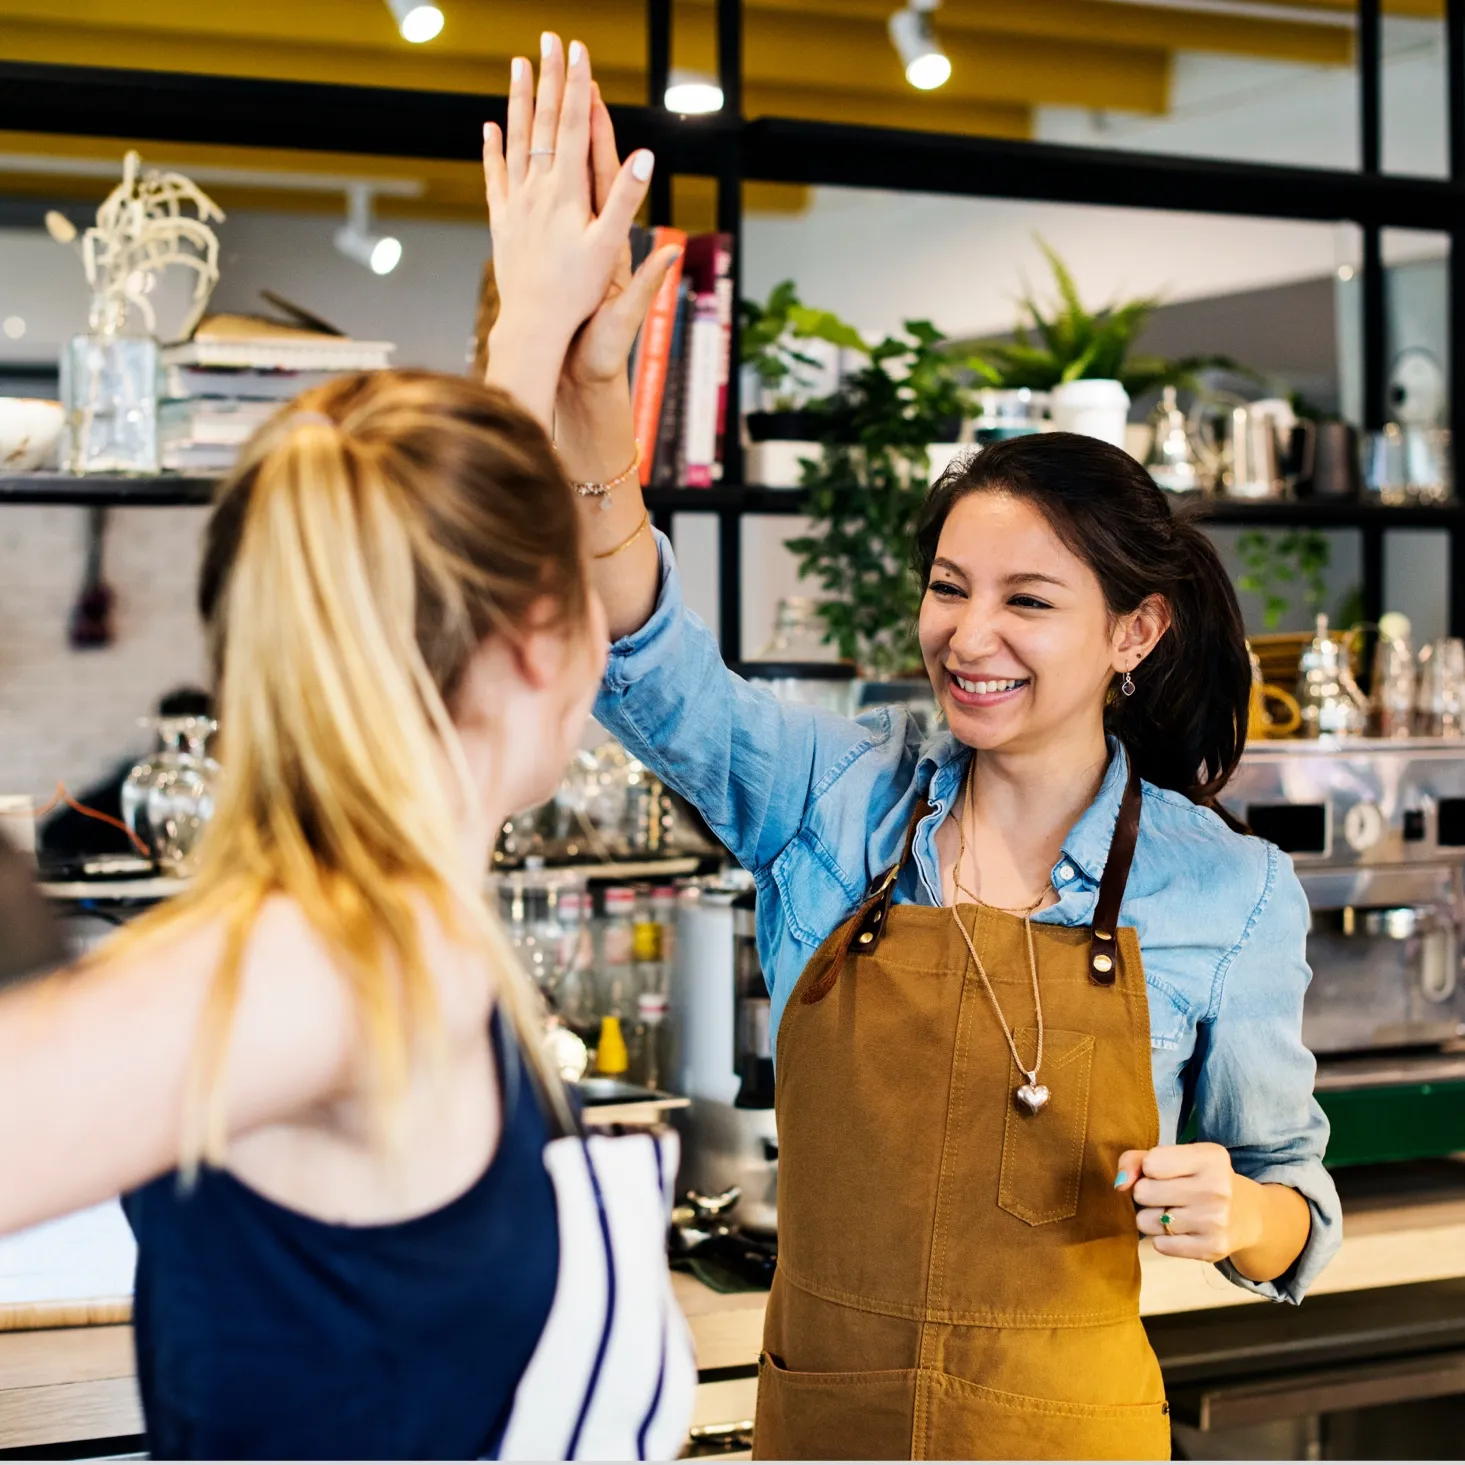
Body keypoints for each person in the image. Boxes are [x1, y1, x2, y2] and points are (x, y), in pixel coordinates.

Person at [484, 39, 1342, 1461]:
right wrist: (582, 414)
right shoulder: (833, 801)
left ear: (1134, 635)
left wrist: (1241, 1215)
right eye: (949, 587)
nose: (969, 634)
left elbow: (1292, 1208)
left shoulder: (1227, 897)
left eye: (1026, 600)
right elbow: (646, 658)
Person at [0, 47, 696, 1456]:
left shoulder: (384, 896)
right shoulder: (337, 957)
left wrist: (535, 347)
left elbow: (435, 573)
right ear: (538, 642)